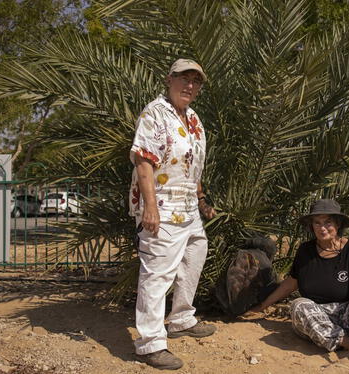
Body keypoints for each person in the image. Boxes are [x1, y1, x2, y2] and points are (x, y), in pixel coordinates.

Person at [128, 58, 216, 370]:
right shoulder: (155, 113)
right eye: (184, 78)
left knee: (195, 254)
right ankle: (150, 343)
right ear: (170, 79)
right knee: (157, 273)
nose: (190, 85)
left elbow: (192, 164)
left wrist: (202, 200)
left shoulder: (193, 119)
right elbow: (144, 162)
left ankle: (181, 318)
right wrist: (149, 207)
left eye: (196, 81)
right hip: (162, 204)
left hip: (188, 206)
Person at [247, 199, 349, 374]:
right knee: (298, 305)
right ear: (311, 226)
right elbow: (290, 283)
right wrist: (262, 306)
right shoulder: (305, 251)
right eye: (317, 223)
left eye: (328, 222)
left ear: (338, 224)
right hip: (316, 318)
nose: (322, 227)